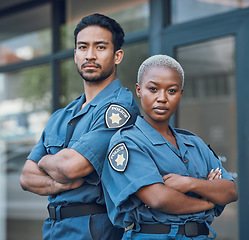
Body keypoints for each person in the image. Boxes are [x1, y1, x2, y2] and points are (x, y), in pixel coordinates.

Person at [20, 13, 140, 240]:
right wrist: (61, 183)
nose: (90, 55)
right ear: (75, 55)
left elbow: (71, 168)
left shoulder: (119, 109)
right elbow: (26, 177)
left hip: (92, 229)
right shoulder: (61, 116)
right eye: (83, 47)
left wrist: (44, 161)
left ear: (117, 56)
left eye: (100, 47)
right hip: (54, 229)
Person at [101, 54, 238, 239]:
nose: (162, 98)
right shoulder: (128, 142)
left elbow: (230, 191)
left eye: (171, 91)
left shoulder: (194, 143)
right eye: (153, 89)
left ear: (180, 93)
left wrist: (188, 183)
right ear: (139, 90)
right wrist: (208, 201)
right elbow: (158, 198)